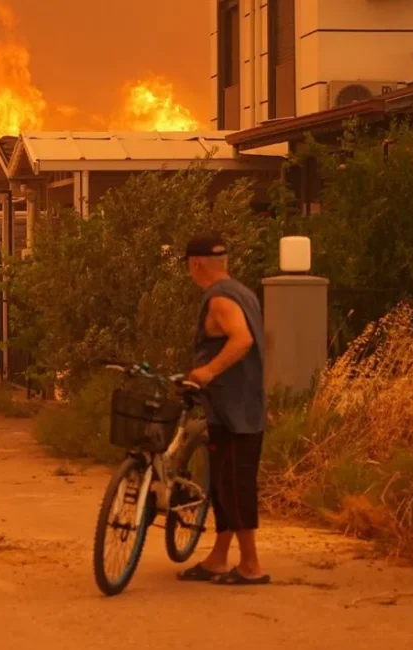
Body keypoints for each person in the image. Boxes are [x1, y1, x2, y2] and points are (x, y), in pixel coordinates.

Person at [177, 234, 270, 586]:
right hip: (238, 404)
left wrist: (207, 372)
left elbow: (243, 339)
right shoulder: (242, 292)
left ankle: (250, 565)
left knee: (235, 485)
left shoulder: (219, 299)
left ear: (195, 264)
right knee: (224, 483)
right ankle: (218, 558)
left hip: (235, 409)